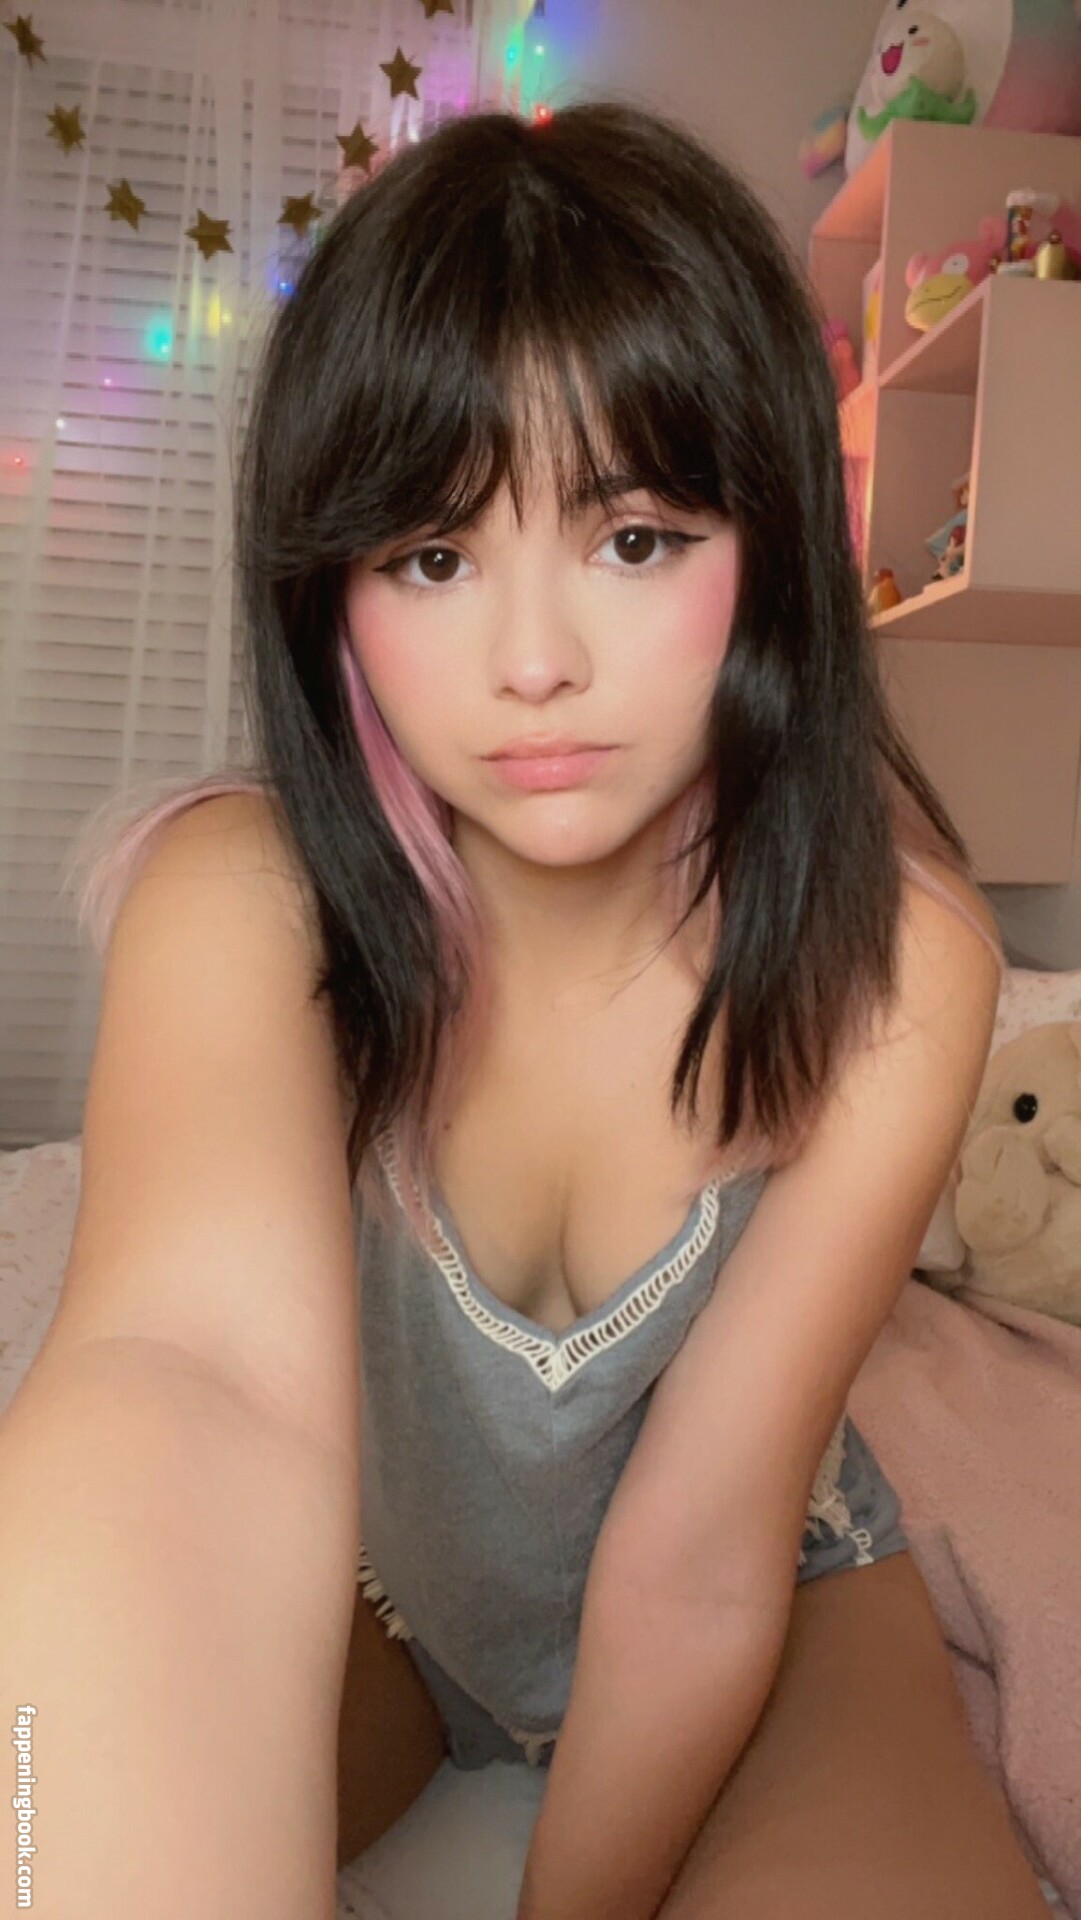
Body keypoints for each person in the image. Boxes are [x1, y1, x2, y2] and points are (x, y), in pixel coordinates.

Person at [3, 101, 1051, 1920]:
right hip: (384, 1599)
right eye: (432, 556)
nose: (534, 661)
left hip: (788, 1607)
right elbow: (183, 1377)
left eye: (634, 538)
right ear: (331, 592)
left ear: (766, 543)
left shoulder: (896, 957)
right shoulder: (246, 902)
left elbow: (704, 1551)